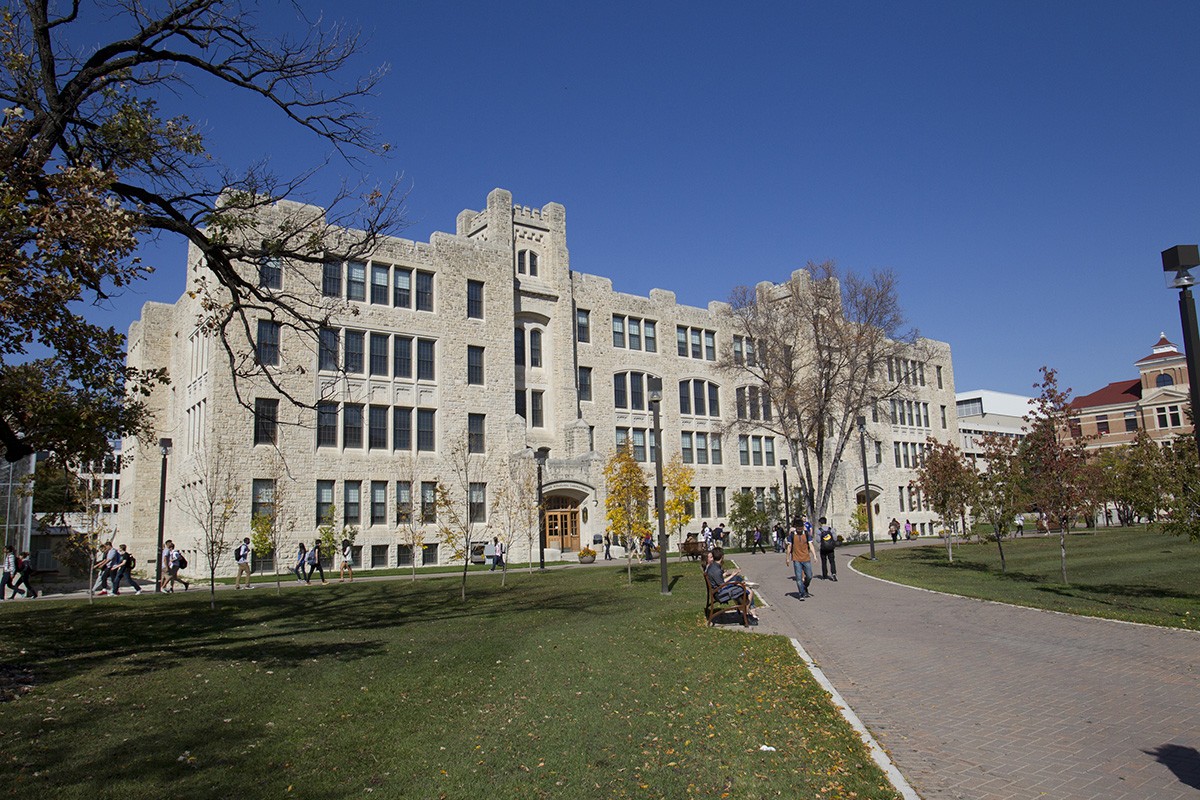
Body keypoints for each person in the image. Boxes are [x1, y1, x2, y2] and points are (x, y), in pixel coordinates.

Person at [704, 547, 758, 623]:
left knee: (739, 581)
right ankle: (746, 615)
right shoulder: (716, 570)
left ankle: (746, 611)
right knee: (749, 591)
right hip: (720, 594)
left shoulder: (713, 567)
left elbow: (720, 581)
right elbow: (722, 585)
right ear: (722, 557)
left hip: (717, 591)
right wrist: (734, 581)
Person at [786, 525, 813, 599]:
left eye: (801, 528)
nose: (800, 530)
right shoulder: (792, 535)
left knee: (809, 576)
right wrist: (787, 558)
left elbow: (810, 544)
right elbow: (789, 547)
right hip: (796, 559)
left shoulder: (806, 534)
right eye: (798, 528)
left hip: (806, 558)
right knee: (798, 578)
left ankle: (804, 586)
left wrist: (814, 555)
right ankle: (801, 594)